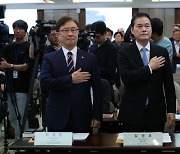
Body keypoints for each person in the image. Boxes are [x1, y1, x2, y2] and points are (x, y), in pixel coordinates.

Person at [40, 16, 101, 133]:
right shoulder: (50, 58)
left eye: (74, 30)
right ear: (58, 34)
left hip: (83, 116)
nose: (70, 33)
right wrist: (70, 79)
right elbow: (44, 82)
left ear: (78, 33)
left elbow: (97, 89)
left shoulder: (90, 58)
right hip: (57, 116)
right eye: (65, 30)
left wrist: (97, 115)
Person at [118, 12, 176, 132]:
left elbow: (169, 84)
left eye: (147, 26)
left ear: (151, 29)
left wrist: (171, 110)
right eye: (139, 26)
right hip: (132, 113)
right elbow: (126, 78)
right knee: (131, 149)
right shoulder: (124, 52)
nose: (144, 29)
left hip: (156, 112)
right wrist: (149, 68)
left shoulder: (161, 52)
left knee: (155, 149)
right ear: (132, 30)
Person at [0, 20, 33, 140]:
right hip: (10, 86)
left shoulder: (29, 46)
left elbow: (25, 66)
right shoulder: (9, 47)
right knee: (12, 117)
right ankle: (19, 139)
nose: (17, 31)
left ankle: (23, 141)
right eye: (15, 28)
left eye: (20, 28)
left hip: (23, 87)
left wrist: (9, 66)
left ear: (25, 31)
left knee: (21, 116)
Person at [89, 21, 117, 112]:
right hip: (92, 83)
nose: (95, 39)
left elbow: (111, 69)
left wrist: (95, 71)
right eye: (93, 37)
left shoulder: (111, 48)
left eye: (97, 37)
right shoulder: (92, 47)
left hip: (106, 84)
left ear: (105, 34)